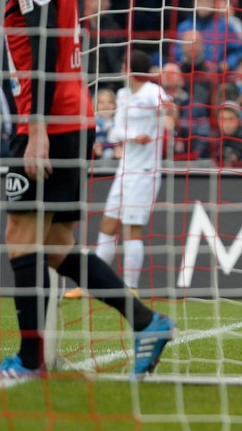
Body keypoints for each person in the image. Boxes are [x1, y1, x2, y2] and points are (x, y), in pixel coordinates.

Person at [0, 0, 173, 379]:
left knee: (21, 235)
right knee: (55, 243)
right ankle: (147, 322)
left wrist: (35, 130)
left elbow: (42, 53)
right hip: (71, 120)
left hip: (50, 123)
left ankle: (29, 360)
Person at [66, 51, 168, 299]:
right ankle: (93, 284)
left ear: (129, 69)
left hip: (145, 171)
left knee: (132, 228)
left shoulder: (153, 93)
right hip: (125, 169)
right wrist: (131, 136)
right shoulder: (123, 95)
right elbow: (115, 132)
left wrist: (158, 130)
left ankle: (131, 286)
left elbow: (169, 110)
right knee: (107, 223)